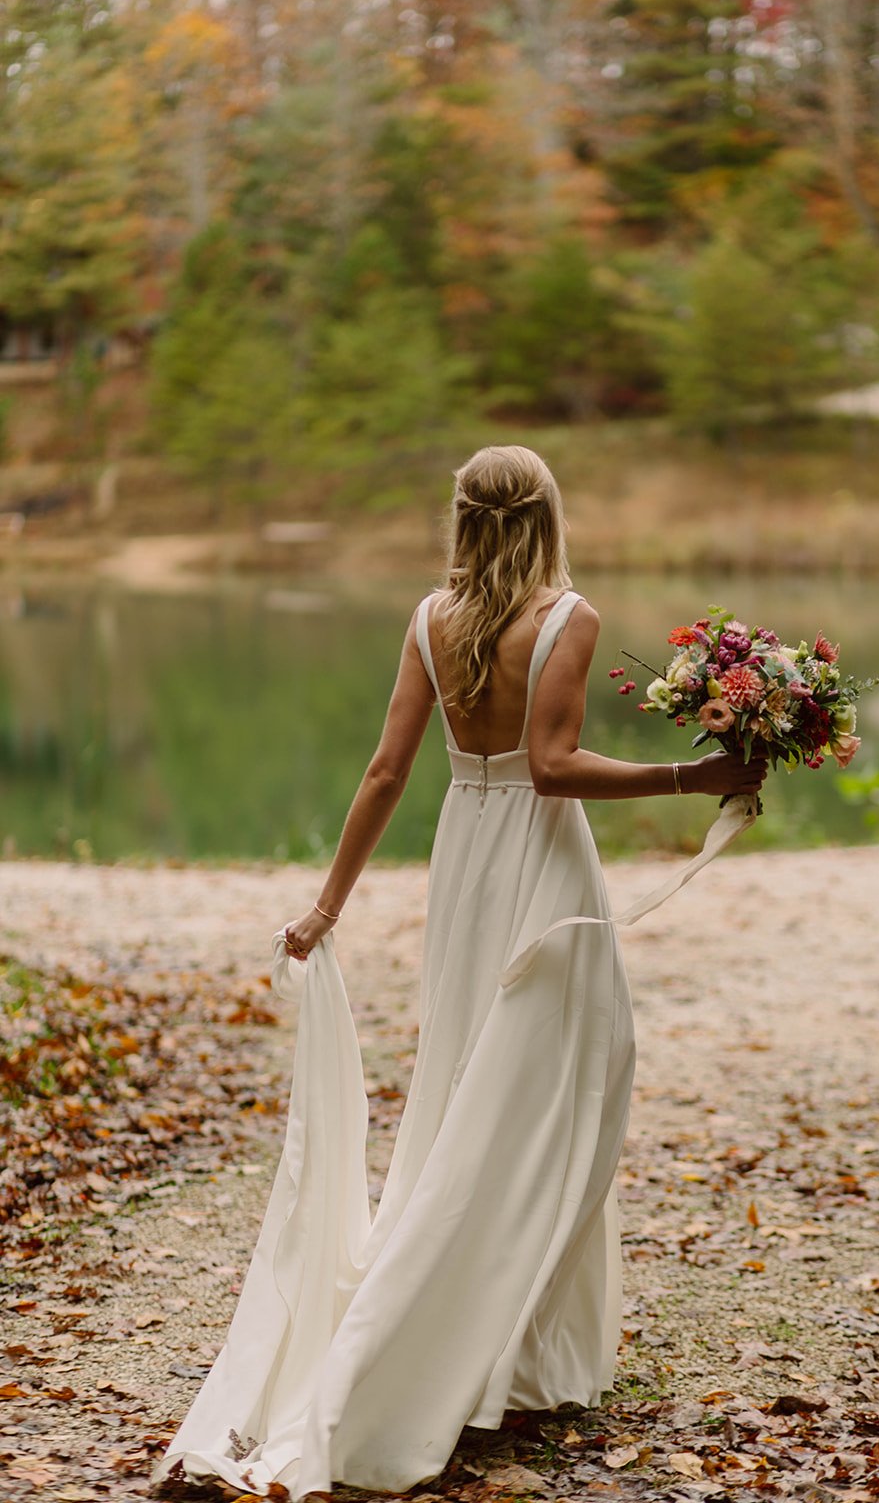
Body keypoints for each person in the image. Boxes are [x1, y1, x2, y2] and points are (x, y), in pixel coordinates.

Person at [156, 444, 767, 1499]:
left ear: (462, 517)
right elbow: (551, 766)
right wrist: (689, 775)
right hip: (533, 859)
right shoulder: (564, 615)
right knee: (560, 1086)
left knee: (473, 1092)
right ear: (546, 513)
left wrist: (325, 903)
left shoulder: (427, 617)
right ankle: (445, 1343)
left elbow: (389, 770)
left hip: (465, 855)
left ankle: (519, 1346)